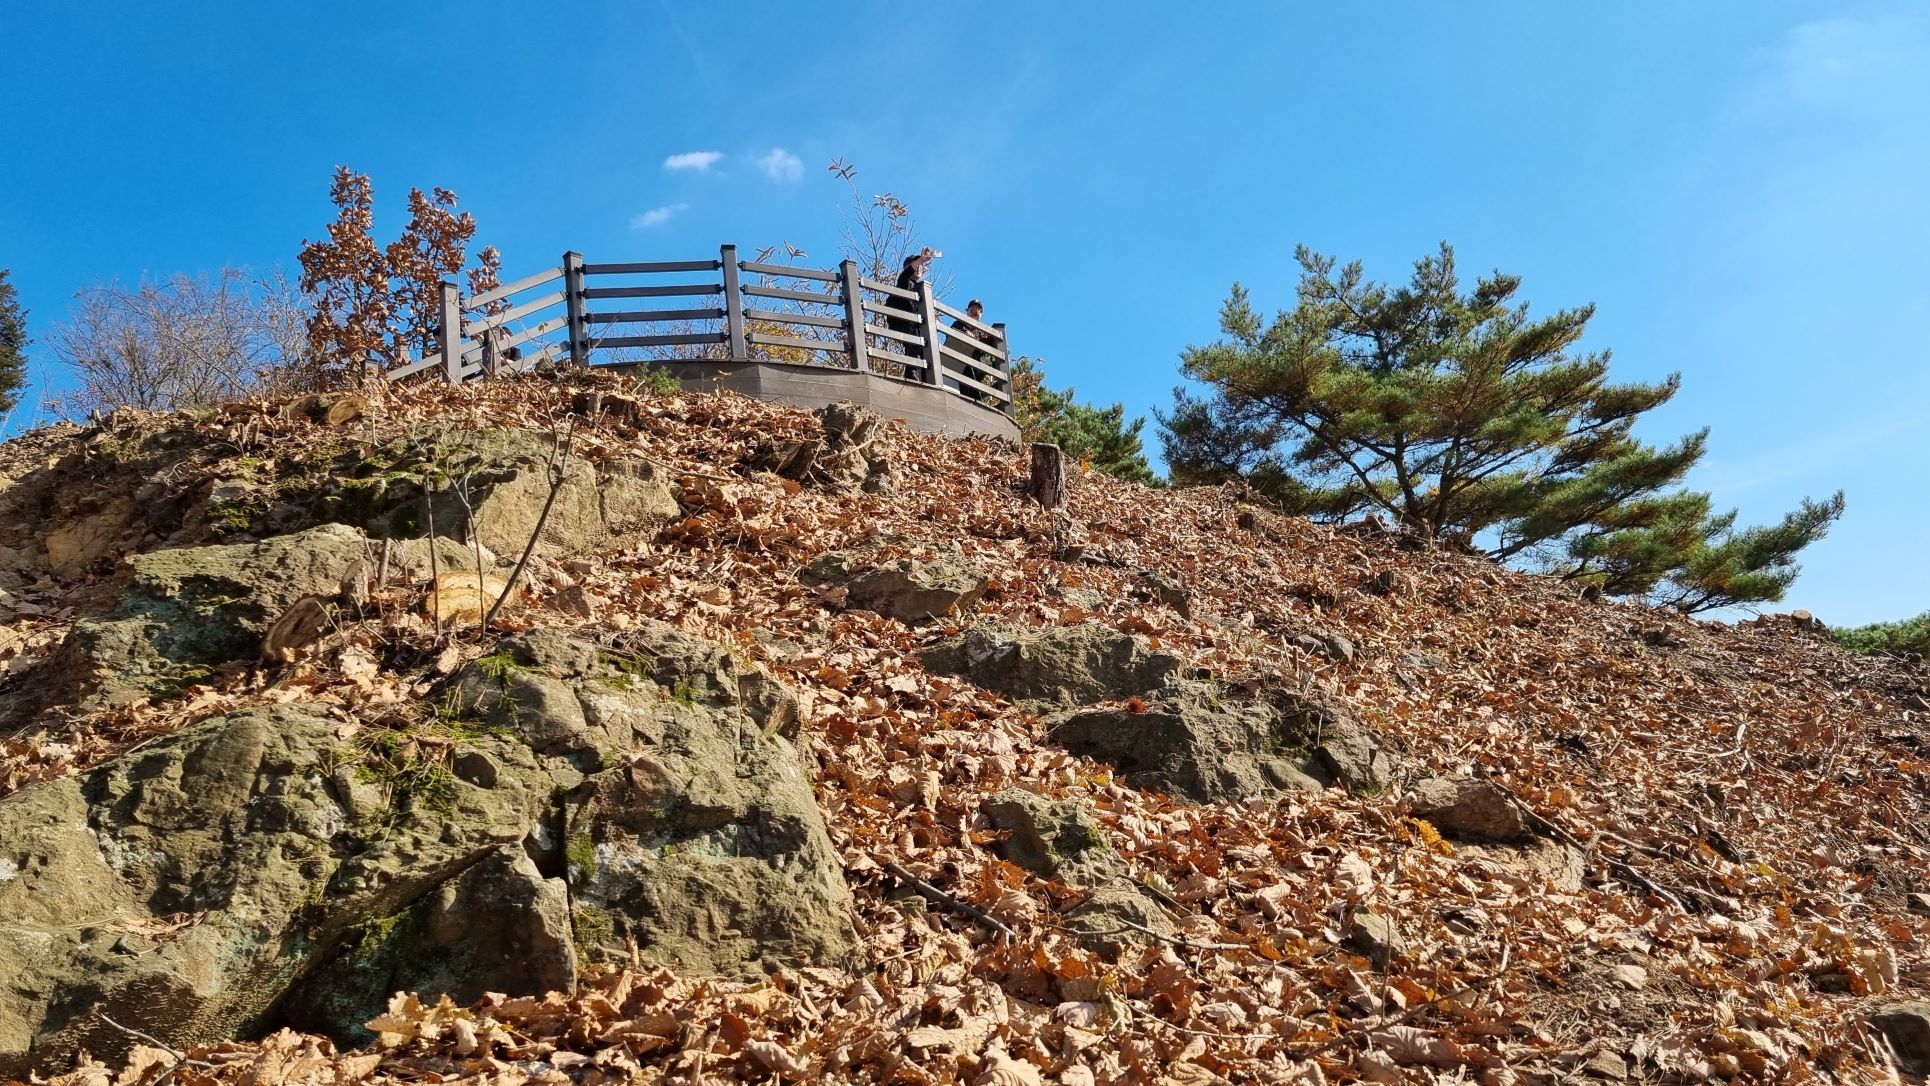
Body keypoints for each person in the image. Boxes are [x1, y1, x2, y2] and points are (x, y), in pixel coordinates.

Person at [945, 299, 1003, 401]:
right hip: (960, 368)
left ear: (981, 314)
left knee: (975, 397)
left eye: (977, 311)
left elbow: (994, 343)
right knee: (962, 394)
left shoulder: (981, 332)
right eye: (972, 310)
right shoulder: (958, 324)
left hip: (976, 371)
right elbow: (952, 335)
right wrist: (966, 333)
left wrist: (990, 335)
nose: (974, 312)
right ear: (967, 311)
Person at [883, 248, 935, 363]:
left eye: (920, 266)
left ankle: (915, 375)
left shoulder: (919, 288)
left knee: (922, 352)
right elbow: (904, 276)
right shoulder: (904, 282)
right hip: (904, 324)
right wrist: (921, 259)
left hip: (914, 327)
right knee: (914, 349)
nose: (919, 267)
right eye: (916, 265)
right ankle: (913, 373)